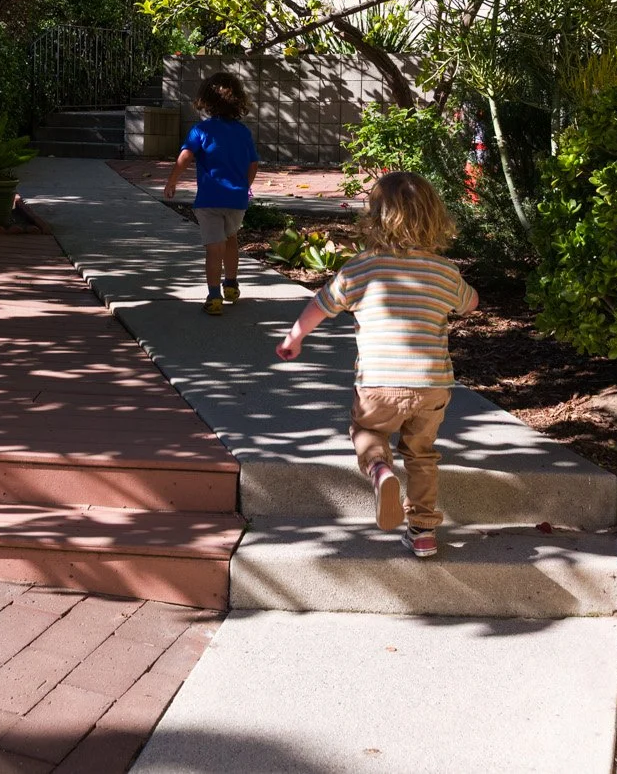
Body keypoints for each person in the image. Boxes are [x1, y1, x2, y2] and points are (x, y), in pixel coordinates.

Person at [275, 171, 477, 558]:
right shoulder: (444, 271)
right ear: (434, 218)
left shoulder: (360, 269)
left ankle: (379, 470)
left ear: (376, 217)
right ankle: (422, 531)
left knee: (366, 428)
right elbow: (471, 303)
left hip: (379, 384)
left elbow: (321, 306)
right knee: (421, 454)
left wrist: (294, 337)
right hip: (432, 386)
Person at [163, 71, 260, 316]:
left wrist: (172, 180)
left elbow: (185, 157)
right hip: (237, 200)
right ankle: (232, 284)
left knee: (213, 248)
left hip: (209, 200)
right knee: (232, 239)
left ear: (205, 100)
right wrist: (244, 187)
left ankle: (214, 295)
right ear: (238, 100)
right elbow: (253, 165)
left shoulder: (201, 130)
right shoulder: (243, 132)